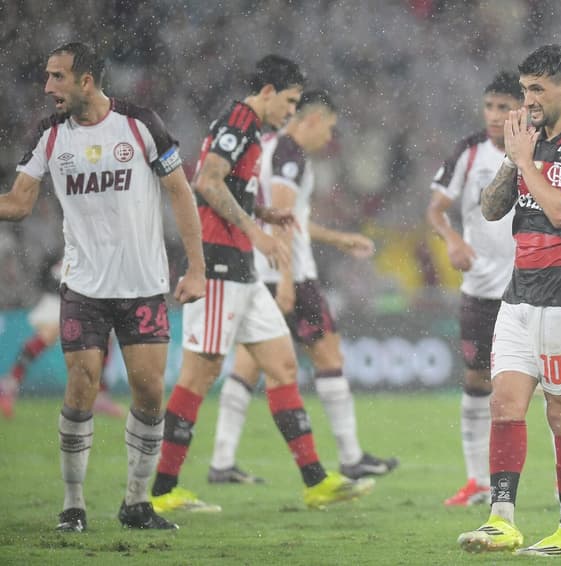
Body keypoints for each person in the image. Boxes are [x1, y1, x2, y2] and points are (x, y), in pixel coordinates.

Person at [150, 59, 375, 513]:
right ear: (268, 91)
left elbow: (229, 187)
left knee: (283, 366)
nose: (291, 112)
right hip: (218, 265)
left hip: (244, 270)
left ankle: (316, 481)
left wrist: (262, 215)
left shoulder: (253, 130)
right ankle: (161, 491)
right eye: (290, 101)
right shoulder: (239, 120)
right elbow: (207, 182)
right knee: (201, 373)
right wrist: (256, 232)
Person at [0, 42, 207, 532]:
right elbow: (19, 202)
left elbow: (180, 190)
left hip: (142, 285)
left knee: (150, 392)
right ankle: (73, 505)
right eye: (48, 77)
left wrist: (196, 269)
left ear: (85, 81)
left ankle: (136, 503)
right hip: (84, 286)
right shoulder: (50, 135)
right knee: (81, 386)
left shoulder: (140, 123)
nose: (48, 87)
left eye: (57, 77)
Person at [457, 45, 561, 557]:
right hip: (520, 290)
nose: (525, 101)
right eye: (524, 89)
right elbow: (490, 209)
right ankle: (501, 520)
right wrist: (513, 158)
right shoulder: (531, 141)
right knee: (504, 403)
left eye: (535, 90)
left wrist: (526, 161)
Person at [207, 89, 398, 485]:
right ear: (312, 119)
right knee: (328, 355)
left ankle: (222, 461)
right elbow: (282, 220)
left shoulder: (269, 147)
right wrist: (290, 281)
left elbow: (288, 217)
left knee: (248, 361)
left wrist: (338, 239)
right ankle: (349, 456)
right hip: (288, 274)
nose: (330, 137)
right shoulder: (289, 153)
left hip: (260, 269)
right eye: (328, 126)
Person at [427, 72, 522, 506]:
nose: (495, 116)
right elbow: (436, 210)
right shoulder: (468, 152)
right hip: (480, 289)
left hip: (528, 288)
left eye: (504, 107)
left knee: (541, 385)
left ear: (521, 109)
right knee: (476, 380)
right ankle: (476, 481)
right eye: (490, 106)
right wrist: (453, 240)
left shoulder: (539, 151)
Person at [0, 254, 125, 420]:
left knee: (106, 336)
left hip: (87, 293)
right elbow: (52, 268)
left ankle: (99, 396)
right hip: (64, 291)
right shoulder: (79, 241)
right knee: (49, 334)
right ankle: (9, 384)